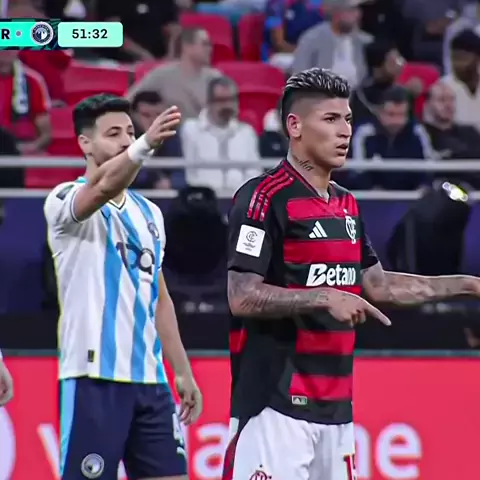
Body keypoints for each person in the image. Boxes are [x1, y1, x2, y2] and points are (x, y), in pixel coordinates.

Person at [223, 67, 480, 480]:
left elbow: (379, 285)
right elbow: (241, 295)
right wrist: (324, 296)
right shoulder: (262, 198)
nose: (344, 131)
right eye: (330, 119)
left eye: (347, 119)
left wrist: (469, 285)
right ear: (295, 126)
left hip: (337, 412)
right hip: (274, 407)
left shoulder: (346, 204)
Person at [43, 94, 202, 480]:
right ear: (85, 143)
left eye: (130, 132)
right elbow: (100, 189)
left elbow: (158, 298)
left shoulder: (150, 213)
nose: (126, 141)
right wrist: (145, 144)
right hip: (94, 376)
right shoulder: (63, 201)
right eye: (113, 133)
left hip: (151, 380)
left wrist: (182, 370)